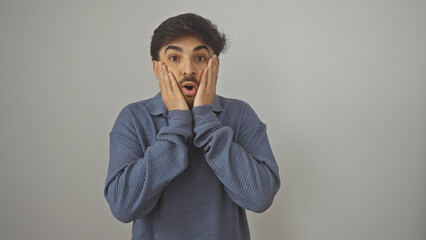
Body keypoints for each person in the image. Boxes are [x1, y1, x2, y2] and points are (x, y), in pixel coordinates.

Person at [104, 13, 280, 239]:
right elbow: (123, 207)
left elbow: (260, 198)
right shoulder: (133, 118)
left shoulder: (240, 114)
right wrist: (178, 124)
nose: (188, 70)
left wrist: (206, 121)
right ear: (158, 68)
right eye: (175, 58)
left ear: (214, 64)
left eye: (199, 58)